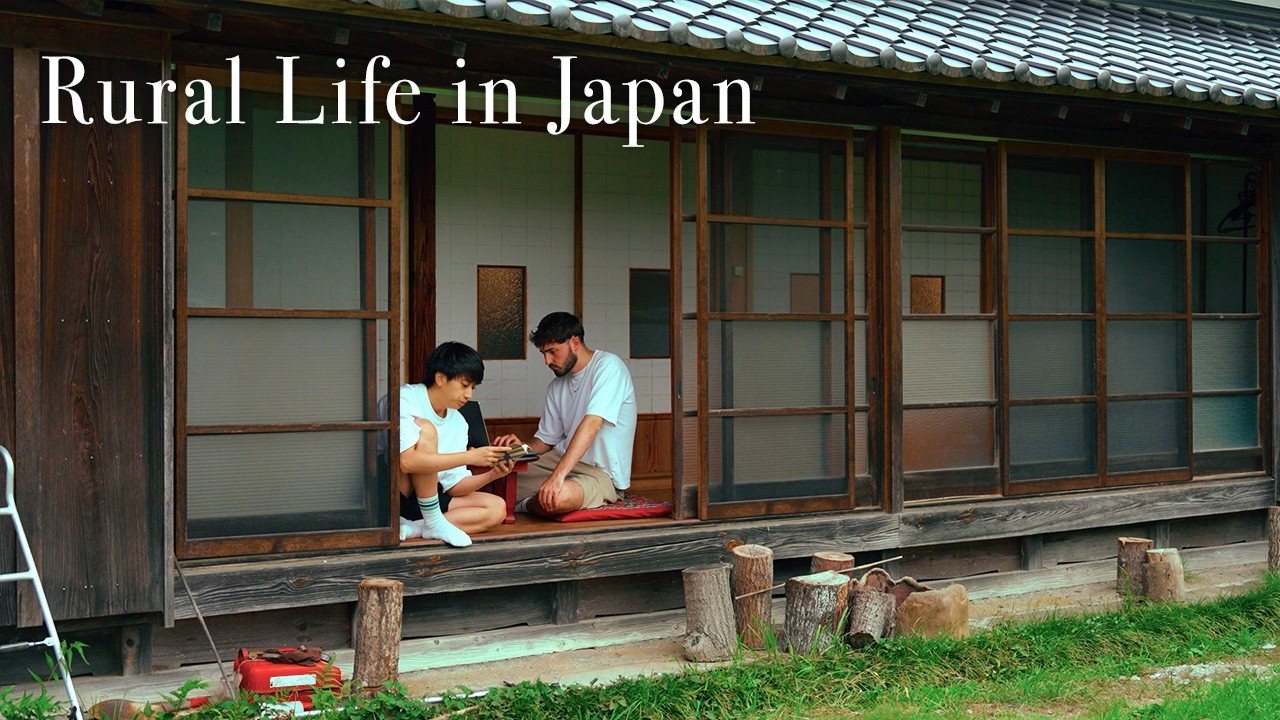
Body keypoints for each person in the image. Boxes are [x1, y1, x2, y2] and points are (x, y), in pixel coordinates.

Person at [493, 312, 637, 517]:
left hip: (600, 474)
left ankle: (519, 505)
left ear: (575, 342)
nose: (547, 360)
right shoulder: (556, 385)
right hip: (559, 459)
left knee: (557, 498)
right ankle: (524, 501)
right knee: (492, 475)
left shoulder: (608, 366)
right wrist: (517, 451)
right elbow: (545, 440)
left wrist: (557, 476)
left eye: (552, 351)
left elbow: (592, 423)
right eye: (543, 353)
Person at [395, 341, 514, 547]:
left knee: (496, 508)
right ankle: (431, 522)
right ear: (440, 378)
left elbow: (454, 486)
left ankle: (416, 528)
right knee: (426, 429)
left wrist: (494, 474)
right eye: (464, 385)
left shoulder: (459, 422)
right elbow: (406, 462)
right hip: (394, 496)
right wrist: (470, 457)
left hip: (426, 500)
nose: (469, 395)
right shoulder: (406, 398)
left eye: (473, 388)